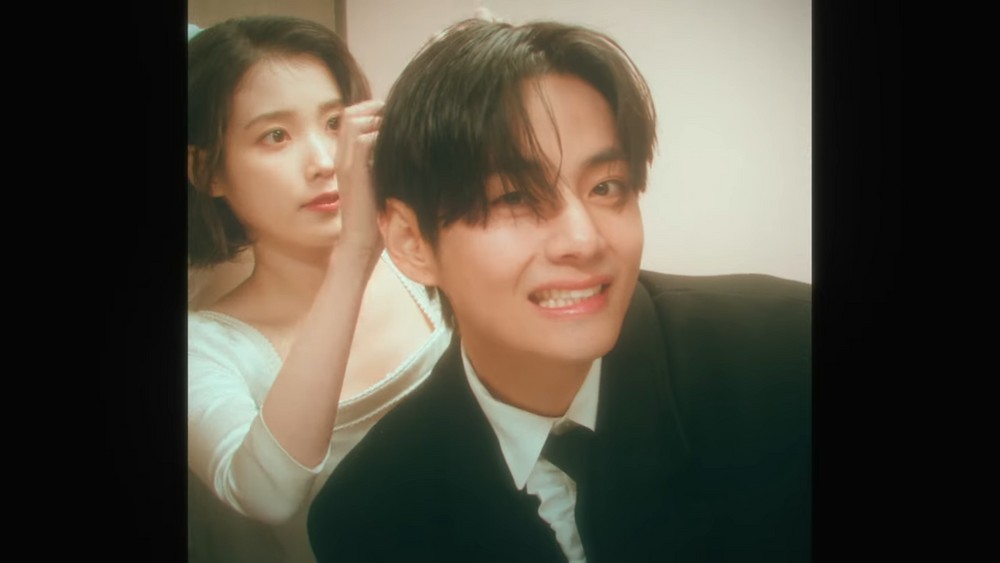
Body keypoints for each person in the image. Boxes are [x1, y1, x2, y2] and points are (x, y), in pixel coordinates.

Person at [307, 18, 811, 562]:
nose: (584, 239)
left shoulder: (787, 358)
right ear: (412, 242)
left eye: (606, 187)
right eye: (514, 198)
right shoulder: (370, 512)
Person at [186, 16, 452, 563]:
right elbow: (266, 493)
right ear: (207, 170)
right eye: (275, 136)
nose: (326, 162)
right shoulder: (204, 348)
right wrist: (354, 252)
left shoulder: (420, 260)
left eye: (335, 123)